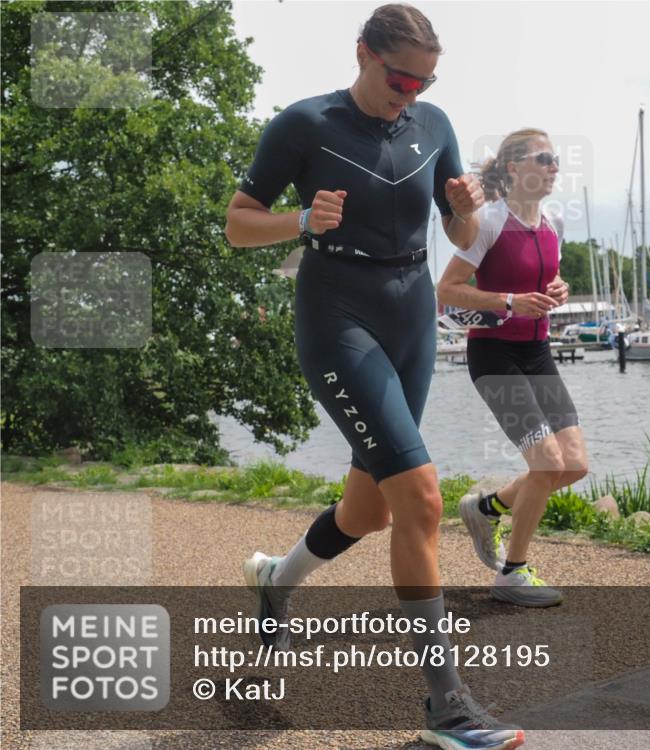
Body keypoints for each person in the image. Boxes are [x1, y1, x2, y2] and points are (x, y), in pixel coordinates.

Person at [224, 5, 523, 749]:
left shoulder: (435, 124)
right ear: (361, 54)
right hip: (338, 318)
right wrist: (301, 221)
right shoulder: (305, 124)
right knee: (420, 498)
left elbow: (456, 234)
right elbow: (236, 223)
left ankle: (274, 581)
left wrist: (461, 215)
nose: (411, 94)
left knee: (372, 510)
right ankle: (447, 708)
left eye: (424, 81)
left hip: (412, 312)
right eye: (399, 78)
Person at [436, 129, 589, 608]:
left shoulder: (554, 223)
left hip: (538, 351)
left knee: (574, 465)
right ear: (515, 169)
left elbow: (546, 276)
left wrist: (558, 288)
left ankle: (488, 508)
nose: (554, 166)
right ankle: (512, 576)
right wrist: (507, 302)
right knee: (546, 464)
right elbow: (447, 292)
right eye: (544, 158)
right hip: (495, 355)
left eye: (556, 158)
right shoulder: (489, 223)